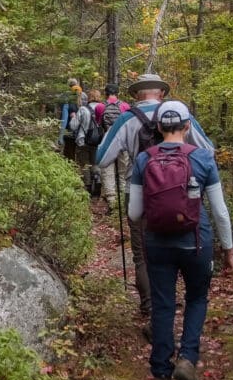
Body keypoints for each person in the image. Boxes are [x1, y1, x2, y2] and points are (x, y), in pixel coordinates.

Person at [127, 101, 233, 380]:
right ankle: (187, 359)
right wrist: (228, 250)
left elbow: (135, 213)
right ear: (188, 126)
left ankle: (161, 376)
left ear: (159, 127)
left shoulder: (143, 159)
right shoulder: (203, 159)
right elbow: (220, 211)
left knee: (163, 305)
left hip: (157, 243)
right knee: (197, 298)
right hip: (196, 242)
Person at [95, 73, 215, 319]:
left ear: (137, 95)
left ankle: (151, 307)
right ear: (161, 93)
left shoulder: (127, 119)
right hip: (180, 194)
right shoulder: (180, 115)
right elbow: (208, 150)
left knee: (143, 255)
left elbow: (102, 158)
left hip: (138, 193)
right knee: (177, 246)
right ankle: (176, 301)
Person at [95, 83, 131, 212]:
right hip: (123, 140)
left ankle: (112, 202)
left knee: (107, 170)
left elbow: (99, 123)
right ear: (118, 93)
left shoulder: (100, 106)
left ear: (105, 93)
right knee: (123, 171)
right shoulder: (125, 106)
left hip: (107, 139)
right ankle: (123, 196)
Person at [56, 78, 87, 161]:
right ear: (77, 84)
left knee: (69, 150)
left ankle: (70, 165)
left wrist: (61, 134)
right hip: (83, 127)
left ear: (69, 86)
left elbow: (64, 116)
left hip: (70, 127)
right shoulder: (84, 95)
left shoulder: (64, 96)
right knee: (81, 150)